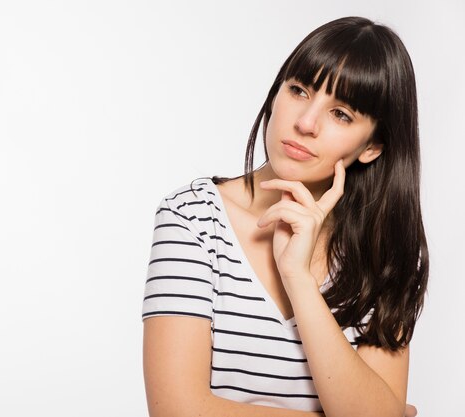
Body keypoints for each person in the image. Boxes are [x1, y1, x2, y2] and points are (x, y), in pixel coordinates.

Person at [141, 16, 428, 417]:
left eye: (341, 114)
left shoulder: (384, 253)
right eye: (298, 91)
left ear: (372, 147)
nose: (305, 123)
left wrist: (298, 280)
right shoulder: (192, 220)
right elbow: (176, 410)